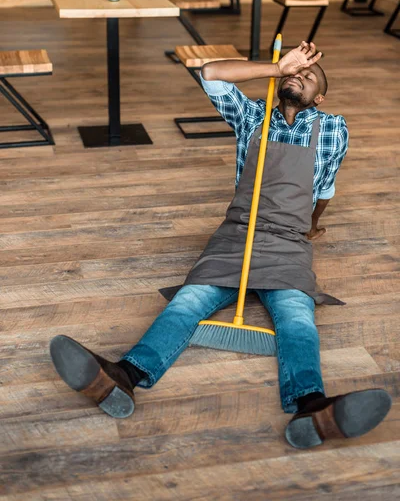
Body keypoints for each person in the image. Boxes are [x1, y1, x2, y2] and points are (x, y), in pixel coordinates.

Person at [50, 42, 391, 449]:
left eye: (309, 76)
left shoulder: (334, 127)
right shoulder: (251, 116)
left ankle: (312, 406)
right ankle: (124, 376)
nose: (298, 76)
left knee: (297, 318)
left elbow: (326, 187)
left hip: (288, 243)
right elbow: (210, 73)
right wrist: (276, 66)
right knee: (187, 302)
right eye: (293, 73)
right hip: (236, 235)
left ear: (320, 97)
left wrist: (312, 226)